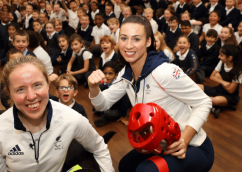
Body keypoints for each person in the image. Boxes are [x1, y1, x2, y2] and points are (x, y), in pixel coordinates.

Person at [88, 15, 214, 172]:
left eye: (136, 39)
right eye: (124, 38)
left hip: (194, 146)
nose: (128, 45)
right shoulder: (126, 74)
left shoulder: (164, 72)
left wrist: (184, 140)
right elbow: (102, 104)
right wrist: (93, 87)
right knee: (125, 166)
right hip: (160, 144)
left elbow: (204, 102)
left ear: (148, 42)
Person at [0, 55, 114, 172]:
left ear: (48, 84)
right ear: (9, 93)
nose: (31, 96)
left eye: (37, 85)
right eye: (20, 89)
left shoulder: (71, 119)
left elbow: (99, 148)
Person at [198, 44, 242, 118]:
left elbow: (231, 90)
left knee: (216, 100)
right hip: (218, 89)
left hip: (229, 96)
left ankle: (210, 105)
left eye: (221, 55)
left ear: (229, 58)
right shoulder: (222, 62)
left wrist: (219, 79)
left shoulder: (239, 71)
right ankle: (213, 107)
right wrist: (223, 82)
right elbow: (212, 77)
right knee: (197, 87)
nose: (219, 57)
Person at [93, 61, 130, 127]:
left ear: (116, 75)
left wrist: (123, 117)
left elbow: (125, 102)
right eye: (105, 73)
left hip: (118, 108)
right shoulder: (103, 84)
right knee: (95, 108)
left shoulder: (119, 86)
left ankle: (108, 117)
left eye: (110, 73)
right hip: (110, 105)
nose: (107, 76)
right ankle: (105, 115)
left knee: (106, 113)